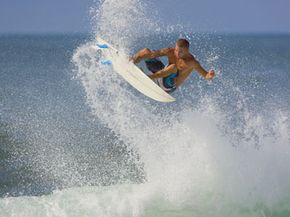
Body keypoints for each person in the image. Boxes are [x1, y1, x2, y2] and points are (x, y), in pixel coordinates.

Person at [130, 38, 215, 93]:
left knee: (173, 67)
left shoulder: (191, 62)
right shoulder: (170, 51)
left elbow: (205, 75)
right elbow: (153, 54)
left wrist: (210, 75)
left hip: (168, 86)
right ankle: (131, 60)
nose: (177, 53)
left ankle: (148, 77)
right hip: (161, 74)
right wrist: (142, 56)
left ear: (187, 51)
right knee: (146, 51)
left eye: (181, 51)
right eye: (177, 50)